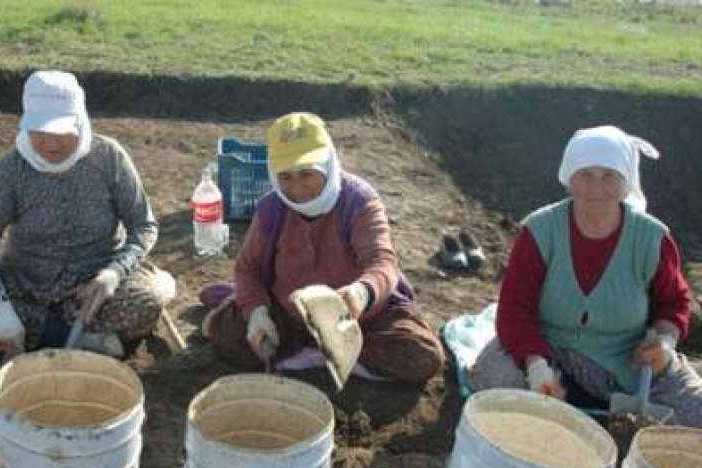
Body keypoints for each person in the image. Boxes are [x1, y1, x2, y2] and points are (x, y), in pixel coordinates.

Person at [470, 125, 701, 427]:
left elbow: (673, 304)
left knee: (696, 412)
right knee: (497, 379)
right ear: (569, 179)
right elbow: (514, 309)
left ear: (625, 183)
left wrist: (665, 344)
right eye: (585, 175)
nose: (596, 187)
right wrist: (536, 365)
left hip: (626, 361)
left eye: (608, 176)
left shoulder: (651, 239)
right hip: (549, 347)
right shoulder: (539, 231)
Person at [0, 70, 166, 357]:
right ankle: (80, 339)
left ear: (80, 122)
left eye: (61, 132)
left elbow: (144, 226)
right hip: (26, 284)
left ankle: (40, 335)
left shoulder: (108, 158)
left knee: (147, 300)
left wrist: (113, 274)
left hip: (92, 289)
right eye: (40, 133)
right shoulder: (12, 168)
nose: (51, 143)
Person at [205, 112, 444, 382]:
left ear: (327, 164)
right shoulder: (272, 209)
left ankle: (327, 354)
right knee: (225, 331)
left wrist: (360, 294)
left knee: (422, 355)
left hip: (355, 319)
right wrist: (258, 314)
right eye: (286, 176)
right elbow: (248, 269)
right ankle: (321, 353)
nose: (297, 188)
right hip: (290, 314)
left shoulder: (358, 201)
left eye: (307, 174)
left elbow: (382, 262)